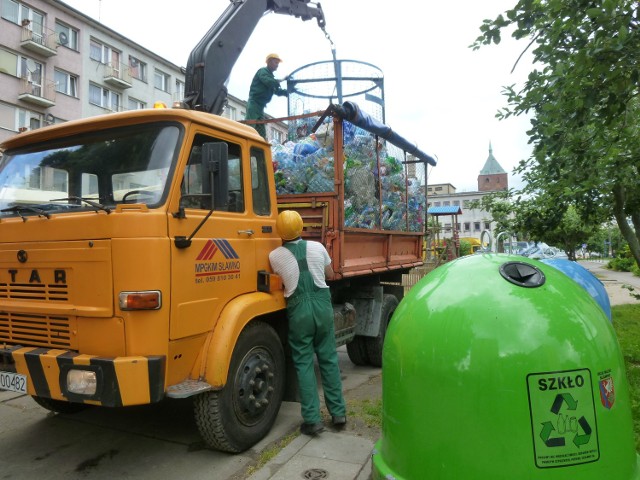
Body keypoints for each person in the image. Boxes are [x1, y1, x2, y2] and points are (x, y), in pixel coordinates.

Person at [269, 210, 346, 436]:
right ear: (301, 228)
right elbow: (330, 274)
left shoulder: (275, 256)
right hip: (322, 306)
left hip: (298, 310)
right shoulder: (318, 247)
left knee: (303, 363)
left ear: (279, 232)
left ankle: (312, 420)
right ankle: (338, 413)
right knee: (329, 360)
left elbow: (281, 280)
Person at [246, 53, 288, 139]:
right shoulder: (263, 72)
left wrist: (288, 92)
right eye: (276, 62)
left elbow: (277, 91)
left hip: (260, 107)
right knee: (250, 128)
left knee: (261, 132)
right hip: (254, 104)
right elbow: (268, 81)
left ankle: (260, 144)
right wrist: (281, 80)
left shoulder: (271, 77)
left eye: (278, 63)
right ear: (269, 62)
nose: (277, 65)